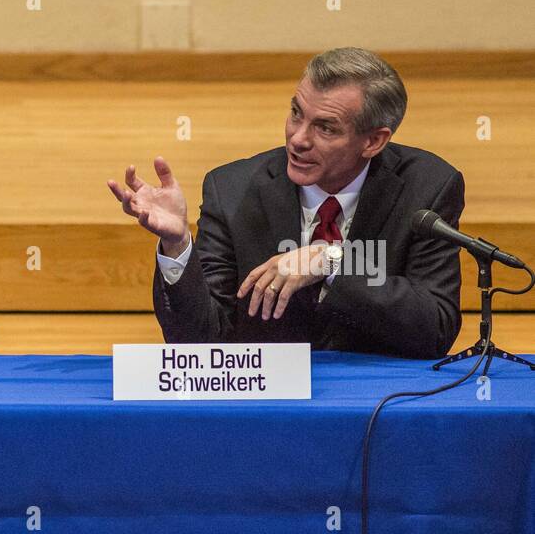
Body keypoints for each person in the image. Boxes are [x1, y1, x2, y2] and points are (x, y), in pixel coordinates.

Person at [108, 47, 464, 359]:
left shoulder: (427, 188)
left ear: (373, 141)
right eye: (296, 113)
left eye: (325, 128)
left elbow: (434, 328)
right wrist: (177, 245)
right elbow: (198, 341)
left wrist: (330, 262)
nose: (297, 139)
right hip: (268, 408)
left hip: (380, 401)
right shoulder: (232, 189)